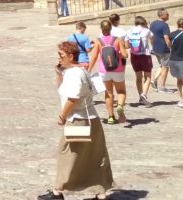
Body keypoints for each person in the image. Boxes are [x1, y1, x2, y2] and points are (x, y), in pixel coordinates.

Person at [38, 41, 113, 200]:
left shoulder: (74, 74)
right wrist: (59, 73)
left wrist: (62, 116)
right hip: (92, 120)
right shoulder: (80, 71)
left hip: (78, 120)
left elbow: (72, 99)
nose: (59, 59)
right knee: (95, 155)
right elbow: (63, 91)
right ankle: (100, 194)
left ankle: (58, 192)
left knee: (67, 154)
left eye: (61, 55)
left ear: (71, 56)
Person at [88, 19, 128, 124]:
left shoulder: (98, 41)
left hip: (104, 71)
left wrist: (89, 70)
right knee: (121, 91)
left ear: (101, 29)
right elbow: (125, 55)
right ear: (111, 28)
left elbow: (94, 57)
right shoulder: (117, 40)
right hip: (118, 69)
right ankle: (120, 106)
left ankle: (110, 117)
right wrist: (118, 53)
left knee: (109, 93)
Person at [127, 16, 153, 105]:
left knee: (138, 77)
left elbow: (127, 45)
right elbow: (152, 39)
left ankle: (140, 95)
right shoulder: (147, 31)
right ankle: (144, 95)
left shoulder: (129, 31)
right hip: (145, 55)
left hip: (134, 56)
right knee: (148, 77)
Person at [149, 9, 175, 93]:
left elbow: (151, 36)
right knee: (165, 67)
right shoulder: (165, 25)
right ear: (162, 15)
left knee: (161, 65)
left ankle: (154, 80)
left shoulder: (153, 23)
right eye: (167, 14)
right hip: (164, 49)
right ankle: (162, 87)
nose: (168, 16)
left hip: (156, 48)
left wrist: (152, 45)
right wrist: (171, 47)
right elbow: (166, 38)